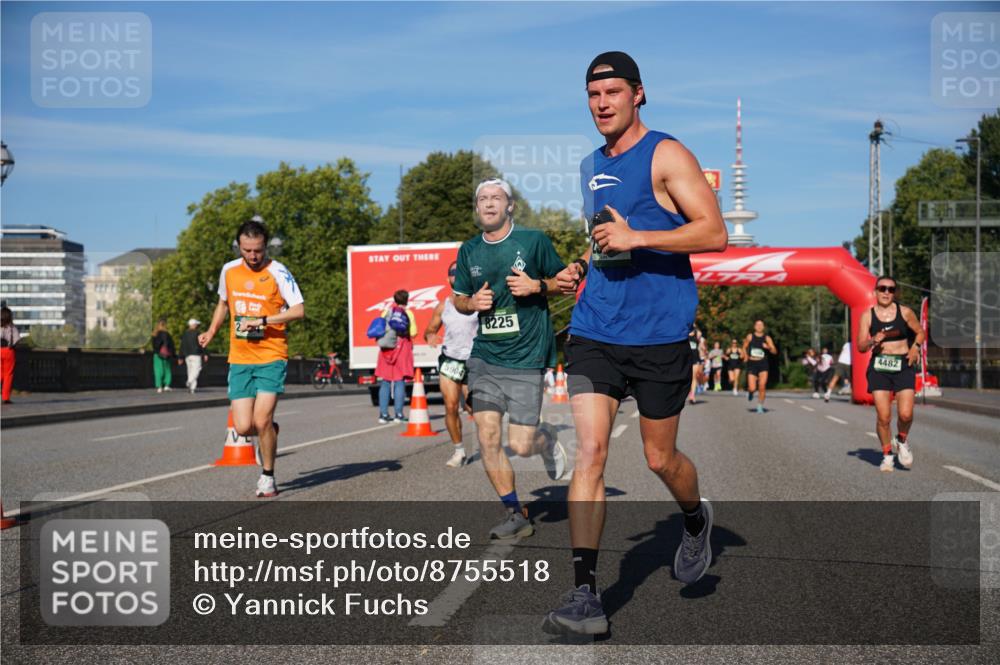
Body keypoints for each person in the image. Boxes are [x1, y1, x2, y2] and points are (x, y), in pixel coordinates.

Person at [545, 51, 727, 636]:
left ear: (638, 94)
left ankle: (696, 520)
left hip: (659, 333)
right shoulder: (588, 164)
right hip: (596, 327)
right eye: (593, 96)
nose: (602, 104)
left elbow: (715, 232)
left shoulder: (667, 153)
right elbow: (605, 239)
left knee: (658, 459)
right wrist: (580, 264)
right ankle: (585, 596)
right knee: (591, 453)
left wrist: (638, 236)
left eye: (613, 93)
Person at [452, 177, 569, 540]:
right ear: (477, 208)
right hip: (485, 355)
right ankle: (514, 512)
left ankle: (545, 440)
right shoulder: (468, 250)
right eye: (482, 199)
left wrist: (538, 286)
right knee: (487, 436)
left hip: (526, 354)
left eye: (496, 198)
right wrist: (472, 303)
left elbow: (566, 281)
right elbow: (458, 298)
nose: (488, 203)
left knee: (519, 444)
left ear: (510, 205)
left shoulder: (533, 241)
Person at [199, 218, 304, 498]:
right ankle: (269, 432)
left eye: (257, 250)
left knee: (262, 418)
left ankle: (268, 477)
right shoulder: (229, 271)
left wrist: (264, 320)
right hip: (240, 357)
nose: (252, 256)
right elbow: (223, 303)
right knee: (244, 426)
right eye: (246, 250)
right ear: (239, 247)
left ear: (265, 247)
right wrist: (211, 331)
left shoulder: (278, 272)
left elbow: (298, 310)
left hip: (271, 354)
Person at [856, 276, 923, 472]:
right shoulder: (867, 316)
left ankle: (901, 439)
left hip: (903, 364)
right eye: (882, 288)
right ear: (875, 291)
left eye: (891, 289)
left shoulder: (905, 312)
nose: (886, 292)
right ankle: (887, 455)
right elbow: (860, 346)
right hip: (880, 367)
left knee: (906, 413)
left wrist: (915, 347)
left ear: (895, 292)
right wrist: (871, 341)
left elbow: (920, 332)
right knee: (884, 417)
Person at [424, 262, 479, 467]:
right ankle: (459, 451)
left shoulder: (477, 302)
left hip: (474, 361)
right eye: (453, 273)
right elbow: (430, 329)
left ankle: (490, 445)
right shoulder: (443, 305)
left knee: (474, 408)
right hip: (450, 360)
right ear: (448, 279)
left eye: (460, 272)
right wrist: (430, 337)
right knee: (450, 406)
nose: (457, 275)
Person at [376, 290, 416, 424]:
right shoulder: (408, 313)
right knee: (399, 382)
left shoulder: (386, 312)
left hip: (386, 350)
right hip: (401, 349)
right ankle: (398, 414)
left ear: (394, 299)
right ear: (407, 300)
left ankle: (383, 414)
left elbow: (380, 329)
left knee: (386, 382)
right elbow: (414, 332)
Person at [743, 319, 777, 414]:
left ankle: (760, 406)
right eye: (757, 325)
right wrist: (745, 355)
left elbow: (774, 351)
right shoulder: (750, 337)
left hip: (763, 364)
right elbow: (744, 347)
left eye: (761, 325)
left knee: (762, 386)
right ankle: (750, 392)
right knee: (752, 388)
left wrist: (768, 347)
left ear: (763, 327)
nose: (759, 326)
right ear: (754, 327)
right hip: (752, 364)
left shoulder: (767, 338)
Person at [179, 318, 208, 394]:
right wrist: (205, 354)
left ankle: (192, 388)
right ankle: (190, 381)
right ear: (194, 325)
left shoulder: (185, 334)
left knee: (190, 371)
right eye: (196, 324)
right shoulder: (198, 333)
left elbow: (182, 345)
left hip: (187, 355)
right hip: (196, 354)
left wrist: (180, 357)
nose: (197, 326)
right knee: (197, 369)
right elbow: (202, 344)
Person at [150, 319, 176, 393]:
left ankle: (159, 386)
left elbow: (154, 345)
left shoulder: (155, 334)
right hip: (166, 355)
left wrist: (157, 351)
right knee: (167, 370)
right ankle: (167, 385)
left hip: (157, 355)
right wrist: (173, 354)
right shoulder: (167, 334)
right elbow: (171, 345)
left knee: (158, 370)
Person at [0, 306, 19, 404]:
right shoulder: (12, 328)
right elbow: (16, 340)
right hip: (8, 351)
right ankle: (5, 397)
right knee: (8, 375)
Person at [687, 325, 703, 404]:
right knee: (687, 377)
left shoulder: (698, 333)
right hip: (685, 358)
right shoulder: (684, 332)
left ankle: (692, 395)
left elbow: (700, 346)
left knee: (694, 376)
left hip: (695, 357)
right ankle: (688, 391)